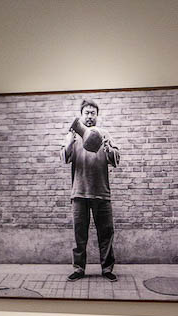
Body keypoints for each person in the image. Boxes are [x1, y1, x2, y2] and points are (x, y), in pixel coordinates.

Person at [62, 98, 121, 282]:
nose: (89, 116)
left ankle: (107, 269)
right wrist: (71, 142)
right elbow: (64, 157)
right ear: (81, 115)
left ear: (97, 116)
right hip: (79, 193)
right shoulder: (73, 134)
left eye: (92, 113)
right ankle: (79, 269)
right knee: (79, 234)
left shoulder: (105, 133)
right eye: (86, 113)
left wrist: (108, 147)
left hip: (102, 193)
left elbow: (116, 159)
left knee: (106, 233)